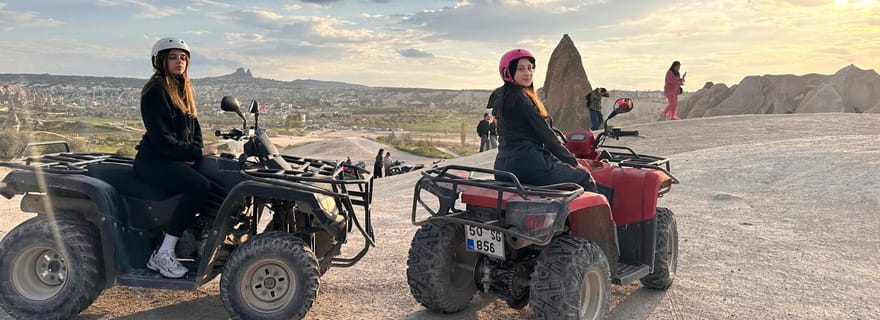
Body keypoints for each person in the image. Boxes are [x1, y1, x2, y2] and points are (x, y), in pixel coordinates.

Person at [134, 37, 217, 279]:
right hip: (153, 161)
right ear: (161, 61)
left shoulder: (181, 88)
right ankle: (164, 252)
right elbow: (162, 139)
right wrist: (195, 153)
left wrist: (197, 152)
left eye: (183, 57)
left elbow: (195, 128)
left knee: (215, 176)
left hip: (173, 158)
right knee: (199, 186)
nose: (179, 61)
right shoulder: (156, 91)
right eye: (173, 57)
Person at [489, 48, 598, 193]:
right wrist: (572, 161)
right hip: (528, 163)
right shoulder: (519, 98)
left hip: (502, 166)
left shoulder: (500, 95)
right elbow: (545, 133)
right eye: (520, 69)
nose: (527, 73)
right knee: (584, 177)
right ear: (507, 72)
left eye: (530, 68)